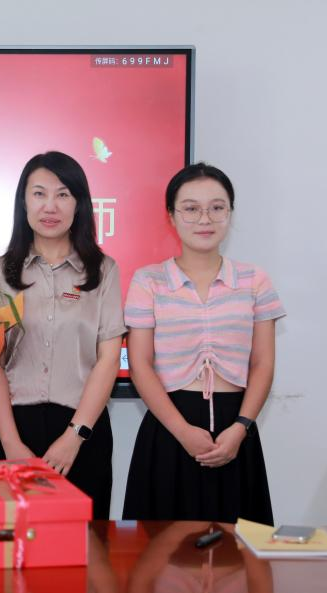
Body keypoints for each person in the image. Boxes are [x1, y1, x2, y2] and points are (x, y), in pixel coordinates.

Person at [122, 163, 285, 524]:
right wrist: (183, 431)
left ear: (230, 213)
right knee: (160, 549)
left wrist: (240, 428)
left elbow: (263, 364)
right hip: (169, 426)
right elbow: (140, 365)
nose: (205, 219)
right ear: (171, 216)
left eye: (217, 207)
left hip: (235, 431)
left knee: (237, 550)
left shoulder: (254, 280)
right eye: (191, 208)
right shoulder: (149, 281)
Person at [0, 151, 125, 519]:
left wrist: (75, 436)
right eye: (39, 194)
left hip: (83, 430)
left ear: (79, 204)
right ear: (24, 202)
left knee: (84, 546)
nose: (50, 206)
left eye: (63, 194)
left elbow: (109, 359)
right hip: (16, 429)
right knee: (14, 545)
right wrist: (11, 443)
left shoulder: (103, 271)